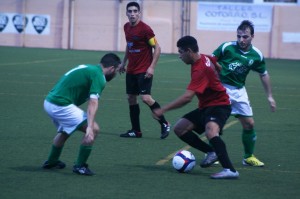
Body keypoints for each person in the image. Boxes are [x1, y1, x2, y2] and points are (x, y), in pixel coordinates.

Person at [153, 35, 239, 179]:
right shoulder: (205, 57)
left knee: (211, 131)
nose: (179, 56)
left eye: (180, 52)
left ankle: (230, 170)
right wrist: (216, 78)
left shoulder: (200, 70)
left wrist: (163, 109)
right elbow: (218, 66)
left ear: (188, 51)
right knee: (180, 128)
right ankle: (211, 152)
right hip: (206, 106)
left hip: (220, 105)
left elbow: (187, 98)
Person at [42, 53, 121, 176]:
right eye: (116, 70)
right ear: (111, 68)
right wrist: (89, 126)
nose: (116, 74)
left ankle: (52, 161)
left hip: (49, 102)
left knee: (65, 131)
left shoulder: (91, 69)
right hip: (60, 105)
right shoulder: (99, 76)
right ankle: (80, 166)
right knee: (94, 129)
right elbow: (93, 102)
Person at [211, 20, 276, 167]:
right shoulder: (227, 47)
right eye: (239, 36)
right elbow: (210, 61)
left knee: (249, 124)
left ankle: (248, 157)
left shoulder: (256, 55)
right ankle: (213, 153)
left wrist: (270, 96)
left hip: (240, 91)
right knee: (215, 125)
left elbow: (263, 74)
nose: (241, 39)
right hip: (221, 89)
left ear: (252, 36)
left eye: (245, 36)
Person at [119, 1, 170, 139]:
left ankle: (164, 123)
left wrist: (152, 67)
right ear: (126, 13)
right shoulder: (126, 27)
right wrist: (123, 62)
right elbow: (129, 45)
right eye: (130, 11)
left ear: (139, 13)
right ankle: (136, 131)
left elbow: (157, 47)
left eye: (135, 11)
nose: (132, 14)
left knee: (146, 98)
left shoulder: (145, 29)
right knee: (131, 98)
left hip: (144, 69)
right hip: (131, 70)